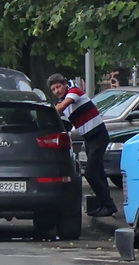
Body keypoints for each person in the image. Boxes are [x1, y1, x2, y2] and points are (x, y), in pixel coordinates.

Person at [47, 74, 117, 218]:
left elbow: (64, 105)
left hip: (98, 135)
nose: (57, 91)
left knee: (91, 172)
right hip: (90, 138)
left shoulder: (74, 91)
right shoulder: (62, 101)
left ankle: (109, 205)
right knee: (98, 172)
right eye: (53, 89)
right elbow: (65, 124)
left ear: (65, 83)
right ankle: (105, 204)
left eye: (58, 86)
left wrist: (48, 112)